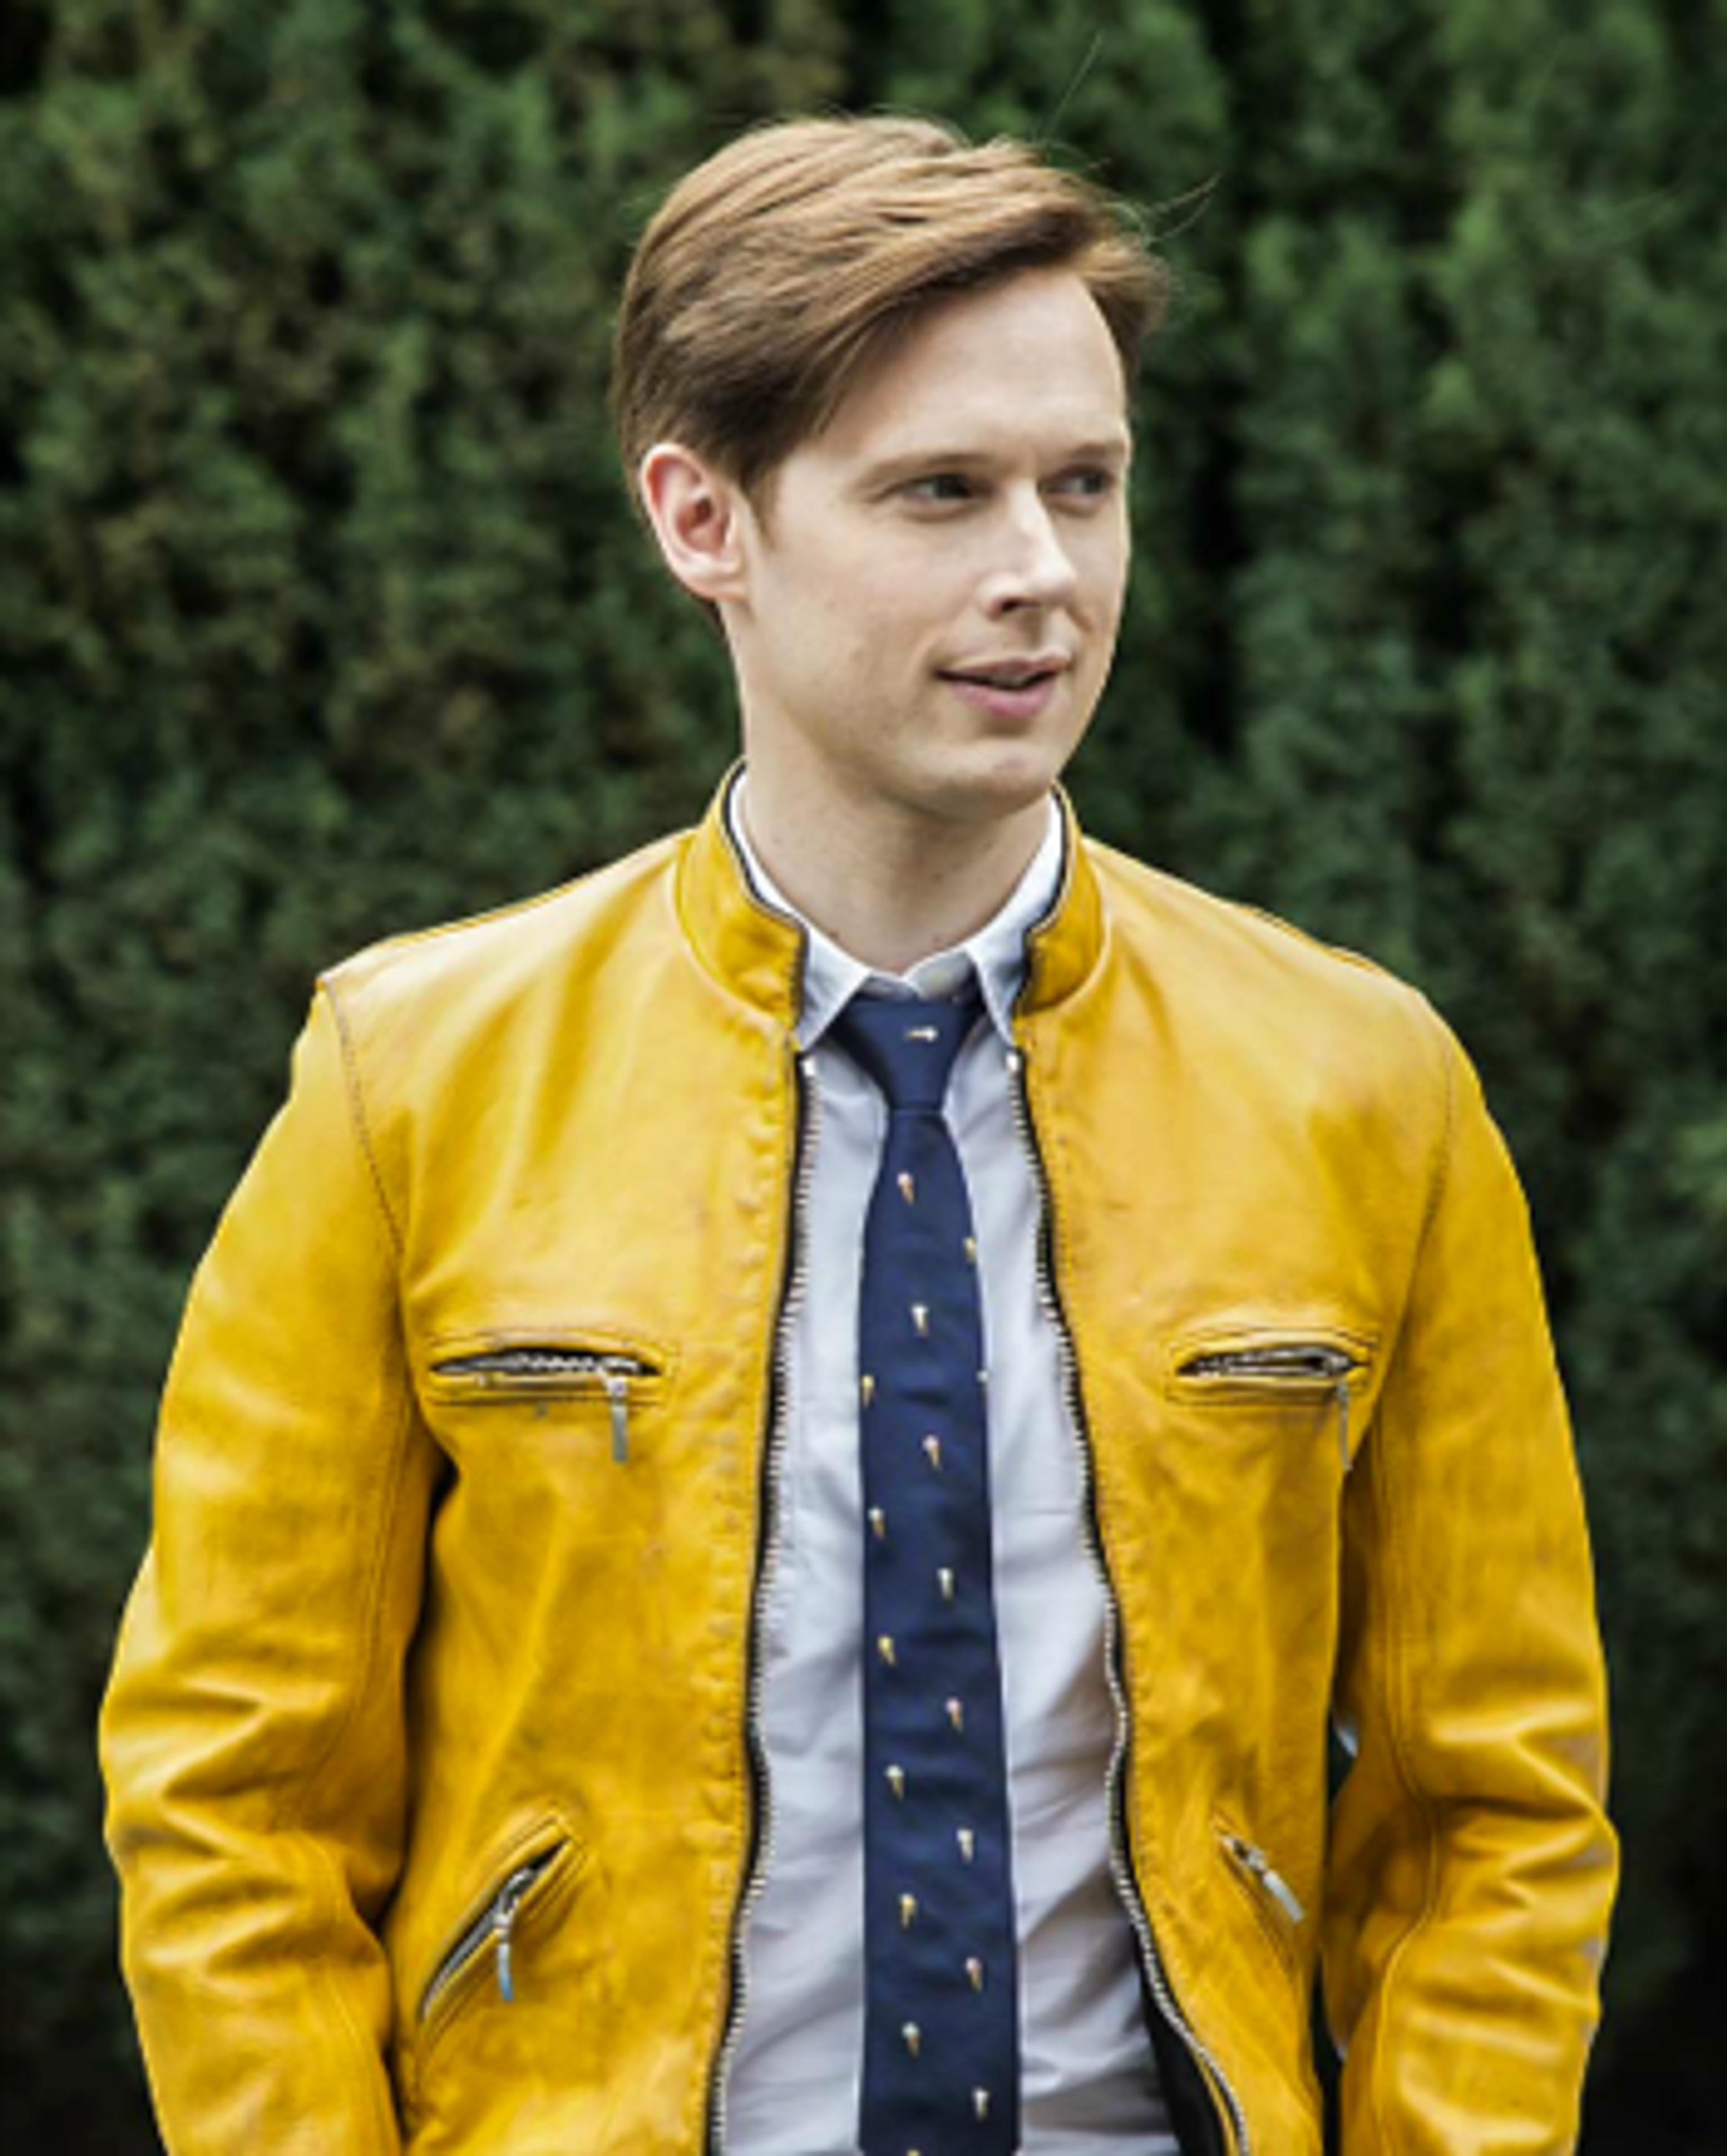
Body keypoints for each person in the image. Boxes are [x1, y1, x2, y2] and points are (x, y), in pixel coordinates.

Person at [100, 113, 1618, 2156]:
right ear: (702, 516)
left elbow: (1491, 1813)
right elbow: (233, 1798)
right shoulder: (411, 1079)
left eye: (1087, 486)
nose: (1042, 575)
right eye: (941, 493)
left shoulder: (1365, 1081)